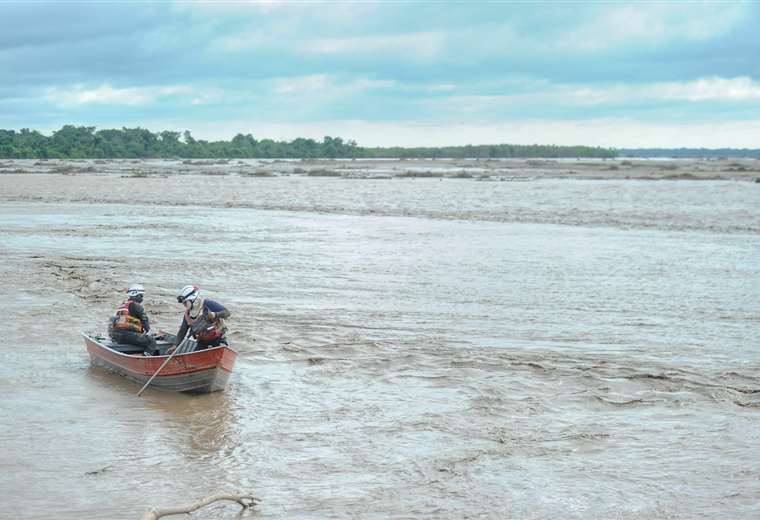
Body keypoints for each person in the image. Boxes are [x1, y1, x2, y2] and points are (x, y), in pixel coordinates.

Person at [171, 285, 231, 353]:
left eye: (185, 302)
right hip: (202, 342)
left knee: (220, 350)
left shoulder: (207, 303)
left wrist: (215, 315)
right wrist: (176, 345)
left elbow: (227, 313)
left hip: (218, 339)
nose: (184, 304)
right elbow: (182, 331)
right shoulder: (188, 314)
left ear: (192, 299)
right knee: (195, 358)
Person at [108, 284, 157, 354]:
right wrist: (149, 333)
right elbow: (145, 321)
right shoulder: (136, 306)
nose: (142, 299)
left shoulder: (124, 304)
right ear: (135, 294)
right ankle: (145, 356)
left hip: (117, 336)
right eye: (141, 296)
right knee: (151, 341)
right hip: (127, 335)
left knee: (140, 337)